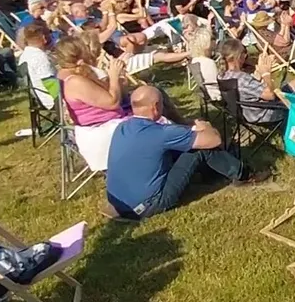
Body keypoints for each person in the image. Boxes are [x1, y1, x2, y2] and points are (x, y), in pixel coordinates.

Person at [104, 86, 261, 220]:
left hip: (118, 203)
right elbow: (214, 140)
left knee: (179, 148)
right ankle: (244, 175)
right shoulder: (161, 133)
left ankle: (212, 174)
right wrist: (204, 126)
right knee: (198, 149)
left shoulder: (122, 128)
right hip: (147, 205)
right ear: (156, 106)